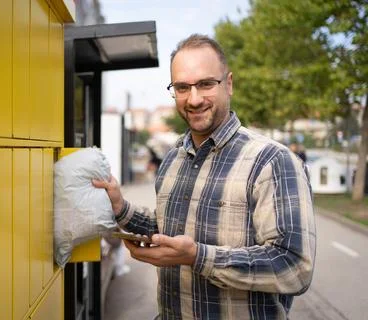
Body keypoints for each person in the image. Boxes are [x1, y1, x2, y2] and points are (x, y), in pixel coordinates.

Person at [93, 34, 316, 319]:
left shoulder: (272, 161)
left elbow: (294, 267)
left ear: (229, 84)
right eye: (182, 87)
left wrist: (199, 257)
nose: (194, 99)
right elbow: (168, 229)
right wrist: (120, 207)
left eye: (206, 84)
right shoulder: (174, 157)